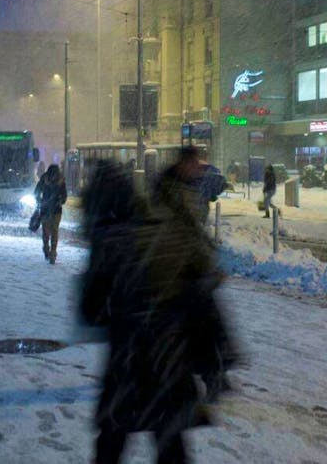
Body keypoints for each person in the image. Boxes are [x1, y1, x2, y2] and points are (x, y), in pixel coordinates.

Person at [85, 152, 237, 464]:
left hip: (127, 364)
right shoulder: (168, 228)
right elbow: (201, 296)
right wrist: (215, 359)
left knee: (112, 442)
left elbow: (92, 311)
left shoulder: (110, 241)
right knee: (170, 442)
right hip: (170, 362)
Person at [34, 164, 67, 264]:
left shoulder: (44, 179)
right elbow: (64, 196)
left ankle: (47, 249)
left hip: (45, 209)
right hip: (56, 210)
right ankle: (52, 252)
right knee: (54, 231)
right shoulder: (61, 181)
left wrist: (39, 200)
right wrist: (60, 201)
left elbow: (36, 192)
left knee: (46, 231)